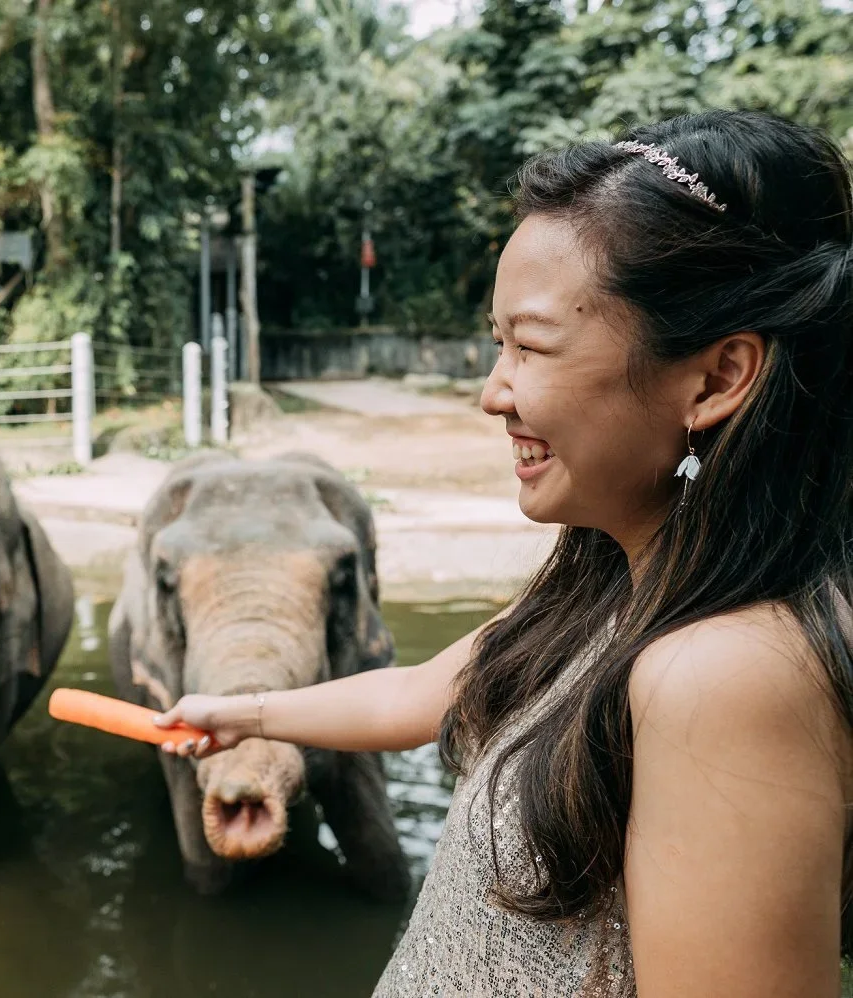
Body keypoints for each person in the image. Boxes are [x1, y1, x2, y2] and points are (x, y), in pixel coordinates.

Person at [155, 109, 853, 997]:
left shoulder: (729, 674)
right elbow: (421, 691)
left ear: (717, 377)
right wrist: (242, 715)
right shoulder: (623, 575)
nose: (494, 394)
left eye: (531, 346)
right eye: (498, 345)